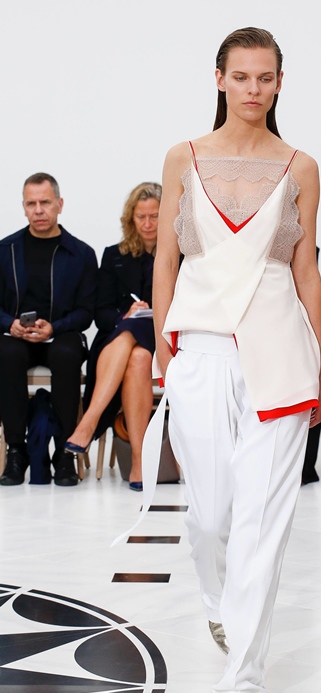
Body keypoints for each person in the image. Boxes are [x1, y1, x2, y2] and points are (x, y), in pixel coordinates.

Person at [150, 27, 321, 693]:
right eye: (242, 76)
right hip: (200, 350)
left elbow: (306, 268)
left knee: (261, 519)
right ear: (220, 78)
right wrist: (164, 344)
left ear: (280, 83)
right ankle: (219, 604)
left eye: (266, 77)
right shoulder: (183, 157)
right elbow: (165, 259)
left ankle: (245, 675)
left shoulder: (302, 166)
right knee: (210, 515)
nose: (254, 88)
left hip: (280, 354)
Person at [0, 173, 97, 487]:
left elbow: (87, 312)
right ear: (23, 207)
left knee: (67, 354)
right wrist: (10, 323)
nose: (38, 210)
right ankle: (17, 451)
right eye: (31, 203)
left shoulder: (81, 254)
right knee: (6, 354)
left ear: (59, 204)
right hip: (17, 337)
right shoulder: (5, 250)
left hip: (61, 335)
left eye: (45, 202)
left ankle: (64, 454)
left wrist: (55, 327)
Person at [64, 183, 161, 491]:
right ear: (130, 218)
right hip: (120, 343)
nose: (147, 224)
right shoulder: (113, 256)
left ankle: (89, 421)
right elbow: (100, 313)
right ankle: (138, 462)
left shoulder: (181, 256)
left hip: (163, 339)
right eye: (141, 217)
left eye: (155, 216)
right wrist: (126, 314)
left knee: (140, 337)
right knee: (138, 356)